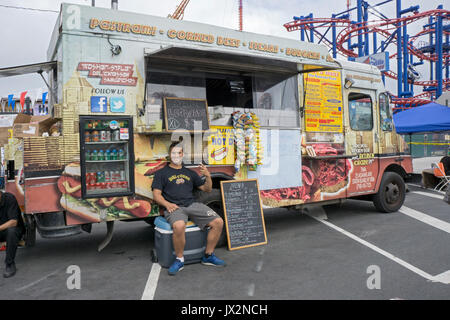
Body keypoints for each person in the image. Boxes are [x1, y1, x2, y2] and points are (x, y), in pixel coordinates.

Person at [152, 141, 226, 275]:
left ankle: (208, 256)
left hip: (192, 205)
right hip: (175, 207)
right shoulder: (161, 173)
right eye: (173, 152)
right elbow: (156, 195)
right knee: (179, 226)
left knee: (218, 222)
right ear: (169, 155)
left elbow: (207, 189)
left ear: (182, 154)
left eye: (178, 152)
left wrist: (208, 175)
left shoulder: (190, 173)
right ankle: (179, 260)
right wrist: (168, 205)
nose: (176, 155)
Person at [0, 191, 25, 278]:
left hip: (14, 230)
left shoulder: (9, 198)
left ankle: (9, 264)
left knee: (11, 231)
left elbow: (13, 222)